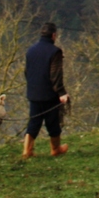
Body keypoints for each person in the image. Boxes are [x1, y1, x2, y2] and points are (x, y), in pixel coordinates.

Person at [23, 21, 69, 158]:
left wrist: (33, 86)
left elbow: (27, 72)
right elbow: (56, 75)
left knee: (34, 122)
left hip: (33, 93)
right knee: (53, 123)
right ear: (53, 35)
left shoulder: (30, 50)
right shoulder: (55, 52)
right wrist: (62, 93)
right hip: (49, 94)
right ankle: (56, 149)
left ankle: (27, 151)